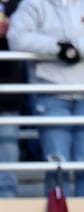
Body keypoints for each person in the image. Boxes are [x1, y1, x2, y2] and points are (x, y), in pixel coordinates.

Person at [7, 0, 84, 197]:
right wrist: (57, 48)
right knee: (57, 163)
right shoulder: (34, 3)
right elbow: (16, 36)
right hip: (50, 91)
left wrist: (78, 48)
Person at [0, 0, 23, 198]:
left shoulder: (21, 5)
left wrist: (13, 30)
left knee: (8, 155)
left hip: (7, 94)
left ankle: (7, 203)